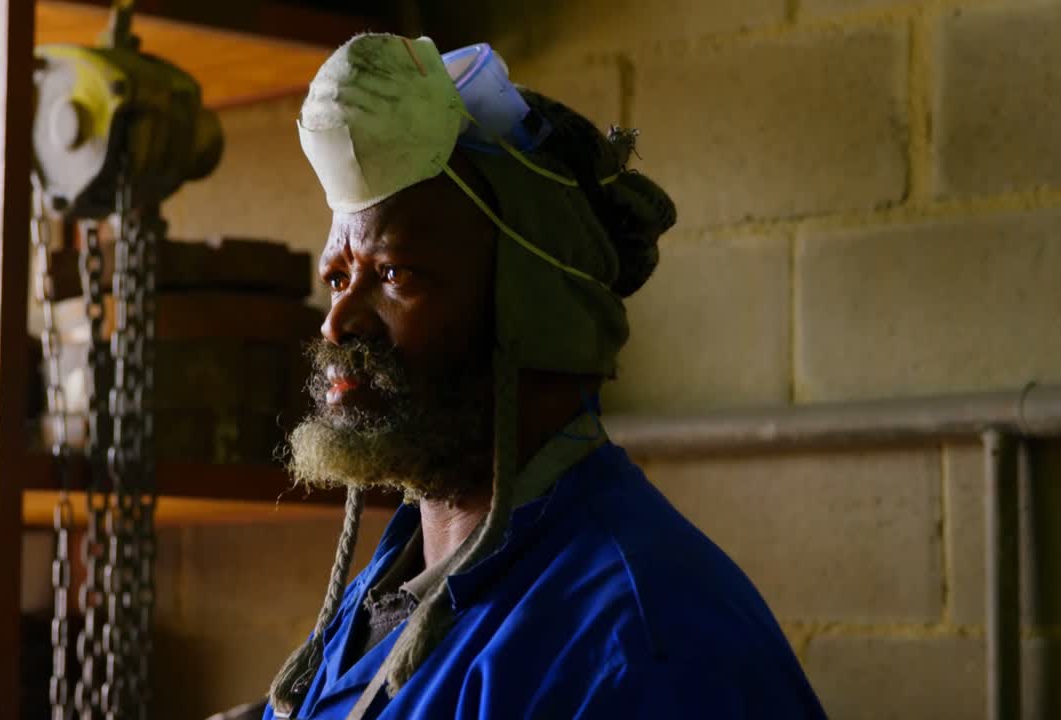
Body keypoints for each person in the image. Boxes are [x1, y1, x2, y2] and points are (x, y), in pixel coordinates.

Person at [221, 33, 826, 720]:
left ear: (535, 310)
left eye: (393, 275)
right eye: (338, 278)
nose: (338, 323)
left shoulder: (643, 644)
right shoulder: (395, 587)